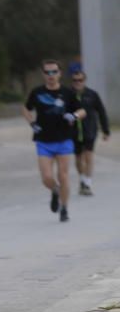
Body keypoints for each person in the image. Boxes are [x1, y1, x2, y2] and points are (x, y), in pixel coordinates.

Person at [22, 60, 87, 222]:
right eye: (47, 72)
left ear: (60, 73)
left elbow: (82, 110)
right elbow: (25, 108)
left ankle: (64, 209)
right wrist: (32, 123)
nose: (51, 75)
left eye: (54, 72)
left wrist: (74, 116)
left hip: (64, 140)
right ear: (43, 75)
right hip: (43, 140)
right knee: (46, 177)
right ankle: (55, 190)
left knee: (63, 176)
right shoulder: (37, 92)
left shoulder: (67, 93)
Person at [68, 64, 110, 196]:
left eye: (80, 80)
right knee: (78, 159)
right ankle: (82, 179)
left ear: (84, 80)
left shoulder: (92, 95)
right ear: (72, 81)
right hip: (74, 132)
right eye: (75, 80)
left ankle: (87, 183)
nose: (78, 83)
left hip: (90, 130)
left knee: (89, 157)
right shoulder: (68, 95)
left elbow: (101, 112)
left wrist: (106, 130)